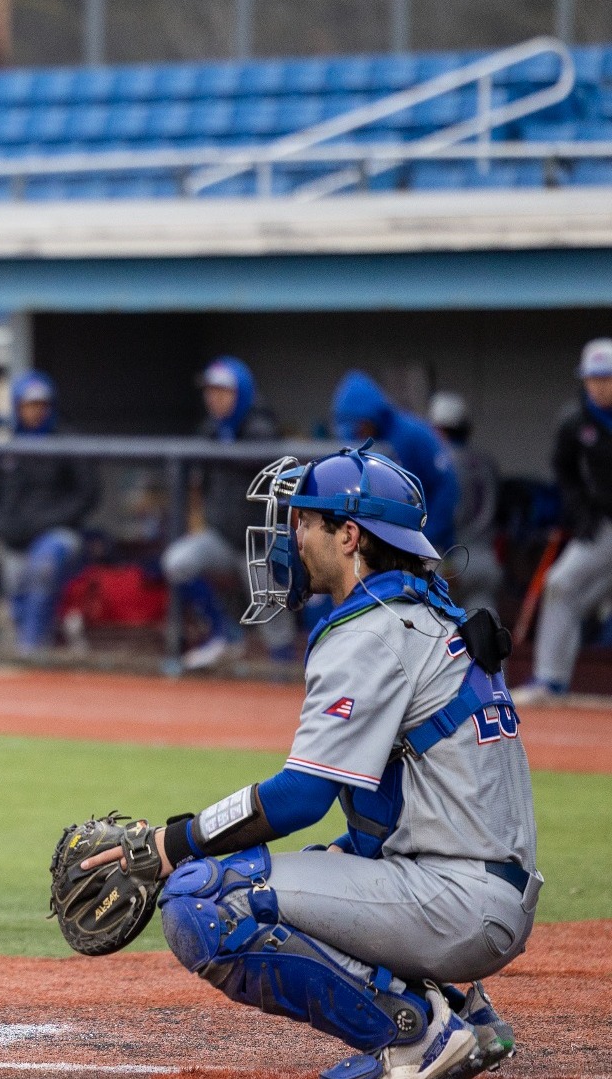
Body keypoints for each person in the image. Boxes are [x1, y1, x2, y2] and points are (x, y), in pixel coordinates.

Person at [83, 447, 536, 1079]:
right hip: (478, 890)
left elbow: (299, 797)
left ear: (350, 535)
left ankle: (420, 1036)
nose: (291, 536)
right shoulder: (423, 613)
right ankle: (464, 1015)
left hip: (454, 902)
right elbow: (413, 793)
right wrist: (346, 850)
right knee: (328, 858)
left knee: (207, 897)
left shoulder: (371, 632)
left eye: (305, 521)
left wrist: (172, 843)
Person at [165, 356, 292, 670]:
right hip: (222, 538)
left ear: (242, 393)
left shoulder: (261, 429)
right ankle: (225, 634)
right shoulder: (211, 431)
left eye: (223, 391)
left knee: (275, 627)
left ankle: (282, 676)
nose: (214, 398)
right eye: (211, 391)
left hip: (261, 544)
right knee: (177, 562)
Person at [520, 337, 612, 703]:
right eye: (594, 378)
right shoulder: (575, 420)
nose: (600, 385)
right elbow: (564, 471)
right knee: (562, 585)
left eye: (606, 377)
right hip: (603, 523)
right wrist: (580, 511)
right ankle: (551, 681)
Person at [0, 371, 98, 653]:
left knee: (43, 564)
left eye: (40, 405)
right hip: (18, 540)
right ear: (17, 407)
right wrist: (3, 527)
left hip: (60, 535)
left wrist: (48, 521)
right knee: (14, 584)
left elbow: (88, 494)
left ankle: (31, 648)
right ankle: (32, 647)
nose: (35, 411)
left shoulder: (66, 439)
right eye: (28, 405)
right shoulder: (7, 446)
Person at [331, 370, 459, 553]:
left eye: (358, 427)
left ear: (371, 417)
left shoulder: (414, 435)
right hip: (388, 547)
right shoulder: (363, 444)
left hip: (429, 545)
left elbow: (447, 487)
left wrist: (425, 539)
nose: (356, 435)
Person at [428, 392, 503, 615]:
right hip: (487, 558)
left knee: (434, 630)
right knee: (484, 631)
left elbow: (440, 517)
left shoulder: (440, 463)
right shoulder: (487, 462)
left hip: (451, 557)